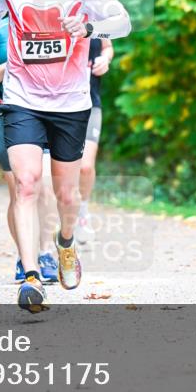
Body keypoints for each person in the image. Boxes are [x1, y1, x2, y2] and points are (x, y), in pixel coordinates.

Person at [0, 0, 131, 312]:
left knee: (66, 193)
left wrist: (91, 28)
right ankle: (29, 278)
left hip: (71, 101)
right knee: (25, 184)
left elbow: (123, 20)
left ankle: (65, 242)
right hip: (22, 97)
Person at [0, 14, 60, 284]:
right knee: (19, 190)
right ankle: (25, 258)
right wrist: (9, 66)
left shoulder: (48, 23)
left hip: (46, 112)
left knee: (45, 186)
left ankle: (46, 252)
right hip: (7, 115)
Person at [74, 37, 114, 244]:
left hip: (91, 103)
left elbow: (108, 47)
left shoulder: (98, 16)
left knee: (85, 167)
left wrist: (104, 59)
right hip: (60, 105)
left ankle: (82, 212)